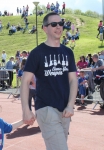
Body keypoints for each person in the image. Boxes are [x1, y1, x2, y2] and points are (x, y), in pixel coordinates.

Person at [20, 12, 78, 150]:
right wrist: (25, 110)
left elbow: (73, 80)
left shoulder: (68, 52)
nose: (58, 27)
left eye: (61, 23)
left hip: (65, 111)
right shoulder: (37, 53)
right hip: (46, 110)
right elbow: (25, 81)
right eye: (54, 24)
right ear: (45, 28)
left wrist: (70, 105)